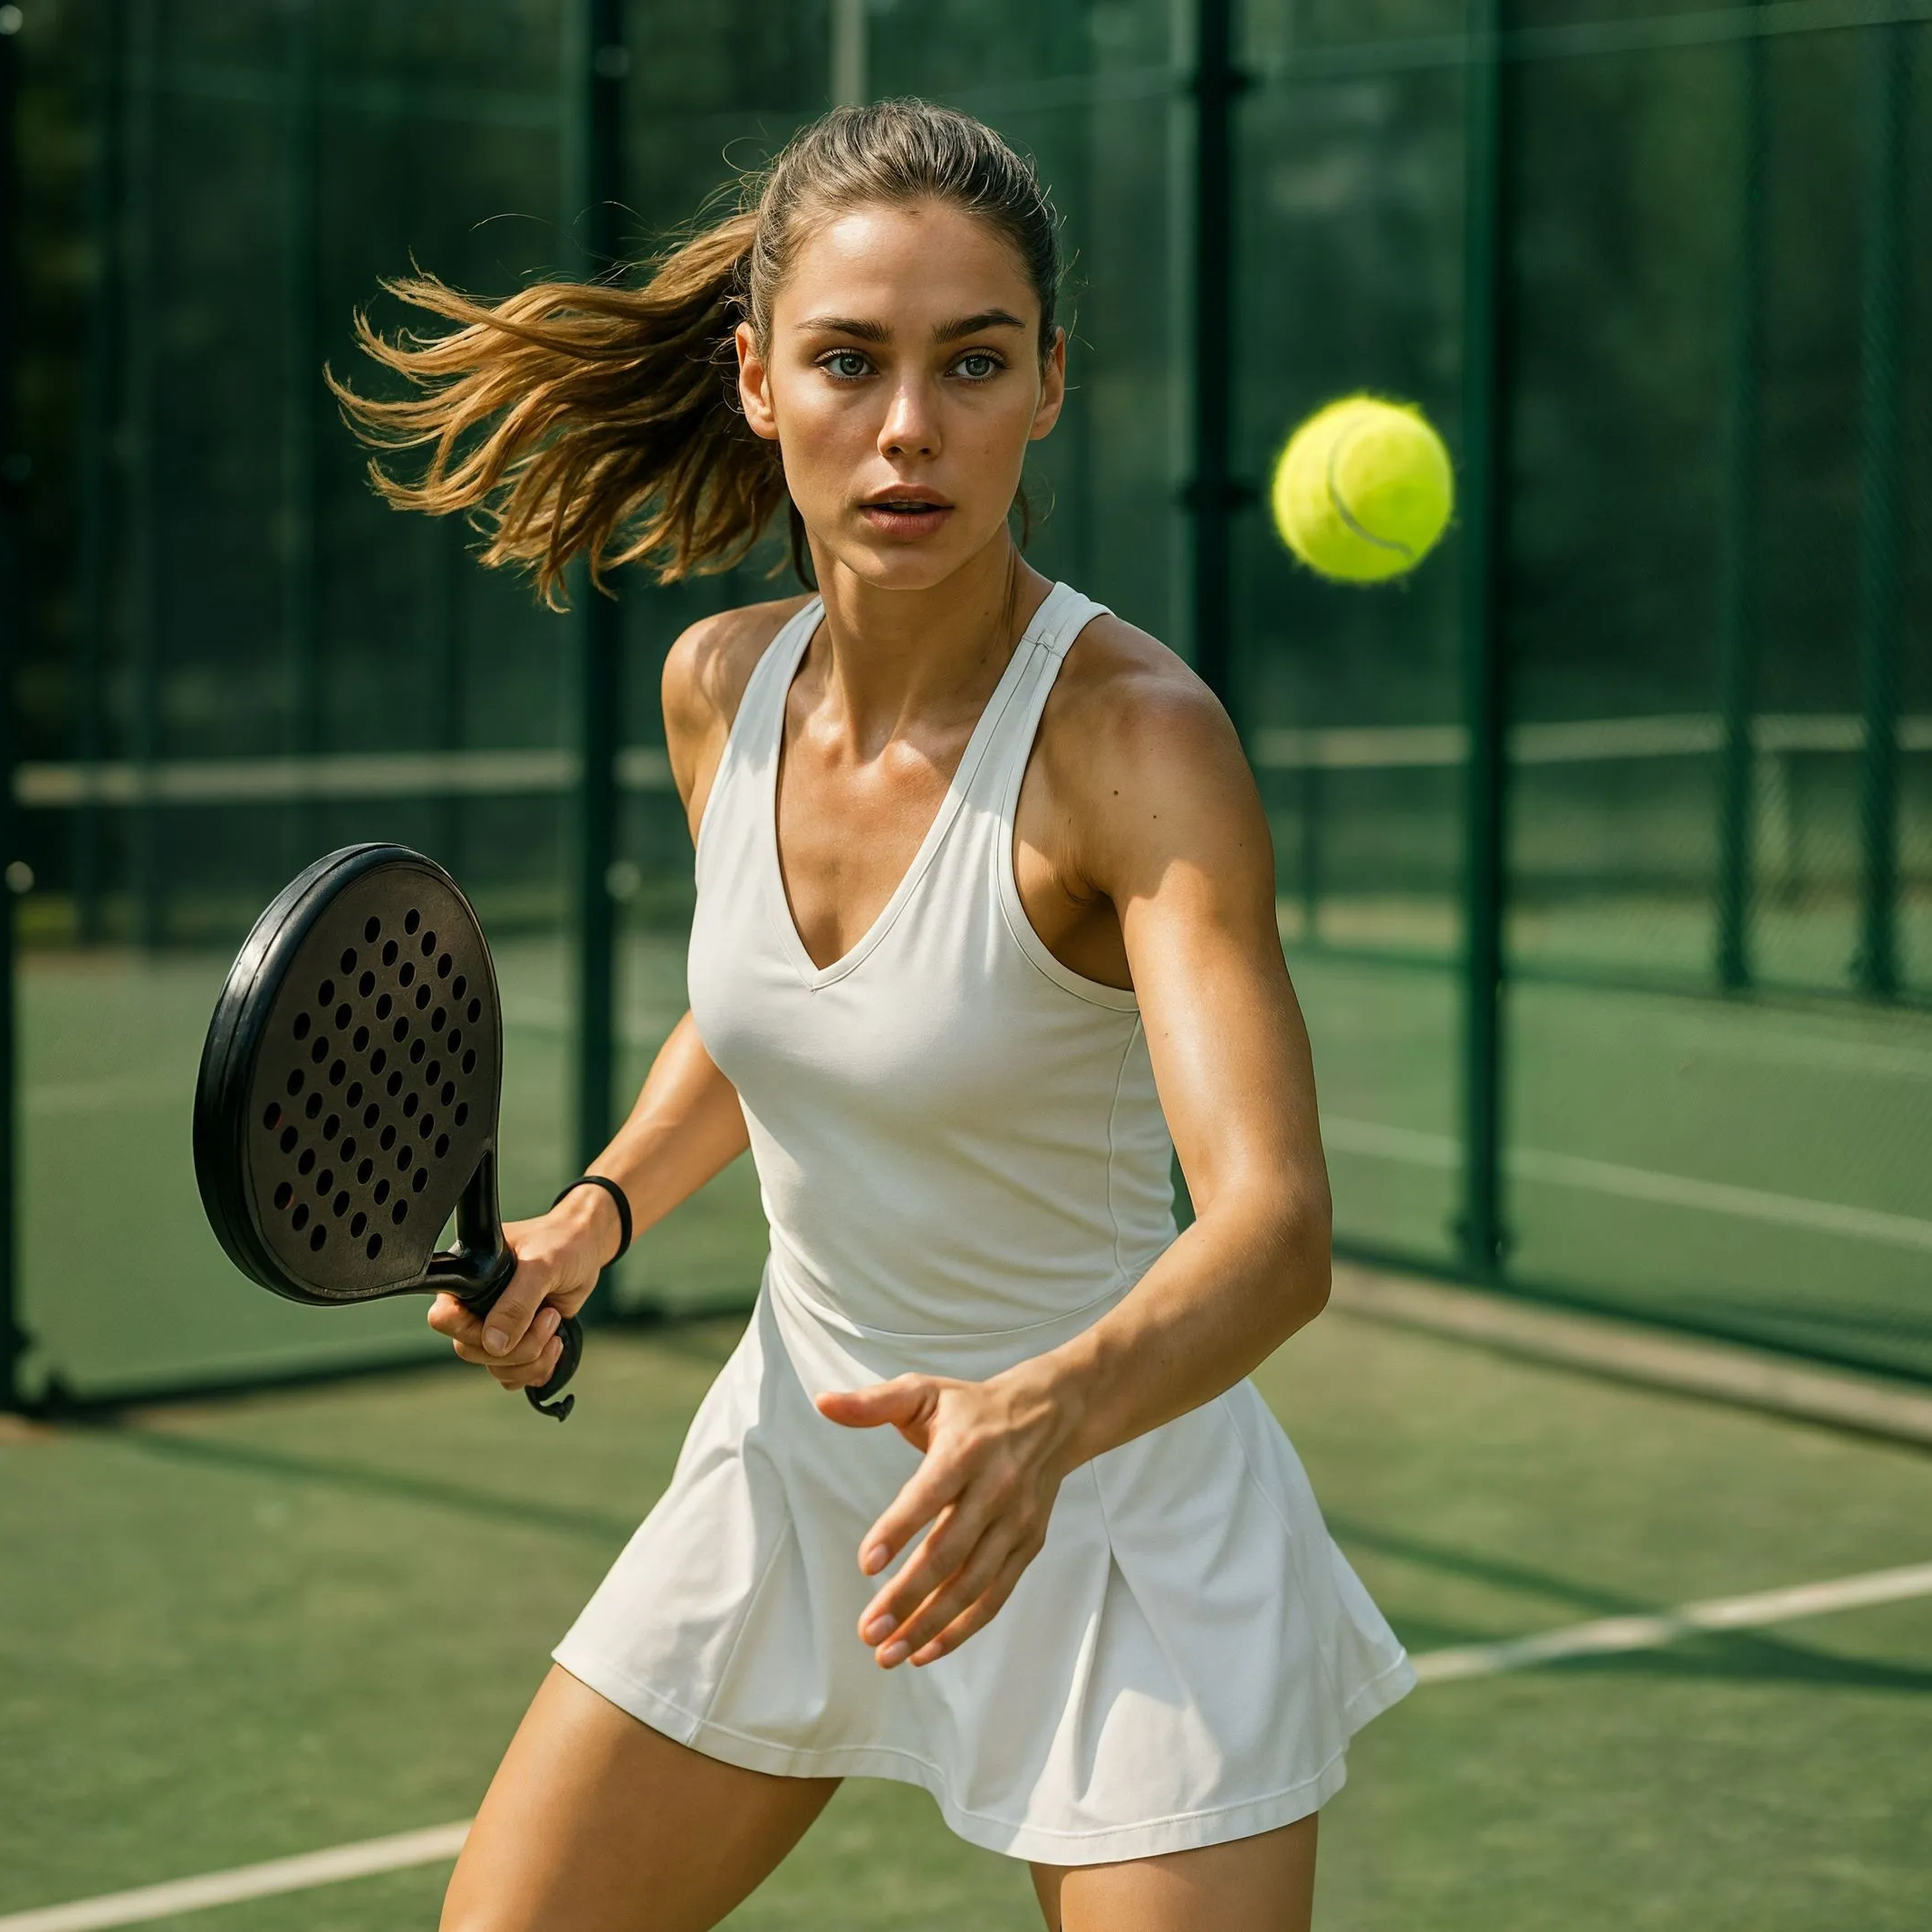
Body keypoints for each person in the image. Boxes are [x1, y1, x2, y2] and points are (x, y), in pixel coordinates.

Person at [336, 98, 1411, 1932]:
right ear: (758, 382)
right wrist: (591, 1218)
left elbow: (1276, 1230)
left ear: (1049, 383)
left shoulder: (1134, 742)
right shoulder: (716, 689)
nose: (910, 427)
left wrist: (1040, 1420)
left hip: (1113, 1501)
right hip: (792, 1476)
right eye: (850, 362)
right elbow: (776, 1022)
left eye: (971, 363)